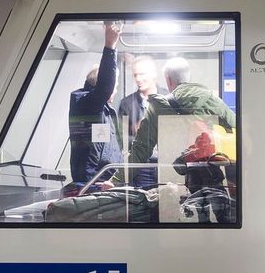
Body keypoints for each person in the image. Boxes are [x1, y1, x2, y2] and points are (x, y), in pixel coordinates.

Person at [128, 56, 237, 167]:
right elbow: (239, 130)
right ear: (188, 77)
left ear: (168, 80)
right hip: (209, 174)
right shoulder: (213, 100)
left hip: (169, 176)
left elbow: (140, 150)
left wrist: (116, 179)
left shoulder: (157, 106)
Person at [67, 21, 123, 192]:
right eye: (115, 87)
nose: (113, 91)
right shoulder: (86, 104)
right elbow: (105, 86)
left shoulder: (101, 109)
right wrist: (110, 45)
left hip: (103, 183)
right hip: (91, 185)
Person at [117, 55, 160, 188]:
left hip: (167, 164)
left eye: (142, 74)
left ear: (154, 74)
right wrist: (137, 136)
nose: (138, 79)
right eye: (135, 75)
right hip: (140, 166)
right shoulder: (126, 104)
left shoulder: (168, 98)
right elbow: (121, 140)